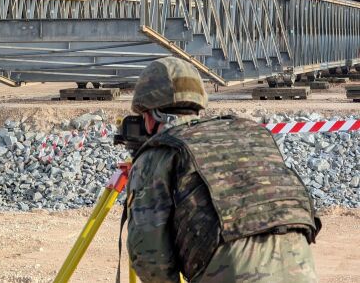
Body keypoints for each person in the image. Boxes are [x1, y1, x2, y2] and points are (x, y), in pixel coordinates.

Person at [126, 57, 320, 282]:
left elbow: (150, 256)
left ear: (150, 117)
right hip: (302, 269)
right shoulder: (249, 133)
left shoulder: (160, 155)